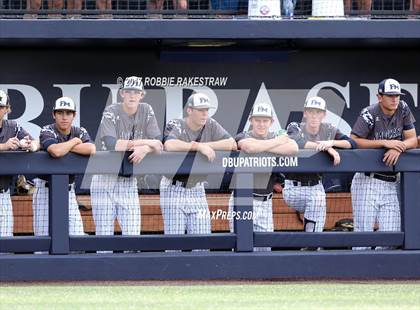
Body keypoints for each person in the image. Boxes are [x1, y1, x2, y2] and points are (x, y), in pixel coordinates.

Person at [91, 76, 162, 243]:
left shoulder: (146, 110)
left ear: (142, 95)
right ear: (122, 93)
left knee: (133, 237)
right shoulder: (111, 110)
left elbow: (159, 142)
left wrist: (145, 149)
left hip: (128, 181)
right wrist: (146, 142)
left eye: (136, 92)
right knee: (104, 239)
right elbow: (110, 143)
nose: (132, 95)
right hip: (104, 180)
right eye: (128, 91)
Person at [350, 78, 417, 250]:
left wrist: (399, 147)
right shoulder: (369, 113)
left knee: (391, 238)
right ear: (379, 97)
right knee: (362, 239)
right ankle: (358, 276)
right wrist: (384, 143)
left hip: (391, 182)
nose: (395, 99)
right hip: (367, 181)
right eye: (390, 95)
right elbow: (353, 141)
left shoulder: (403, 108)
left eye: (397, 95)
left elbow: (412, 140)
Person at [160, 92, 236, 240]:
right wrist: (197, 147)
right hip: (174, 188)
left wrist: (204, 145)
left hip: (197, 189)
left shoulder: (211, 124)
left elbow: (232, 143)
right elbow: (169, 144)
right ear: (189, 110)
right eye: (201, 110)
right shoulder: (177, 124)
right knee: (174, 243)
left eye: (206, 110)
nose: (205, 114)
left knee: (203, 241)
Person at [283, 96, 356, 241]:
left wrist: (331, 143)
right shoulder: (295, 125)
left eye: (318, 112)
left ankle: (312, 243)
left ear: (323, 114)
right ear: (305, 113)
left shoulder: (329, 130)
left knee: (318, 200)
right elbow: (296, 141)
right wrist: (324, 148)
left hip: (316, 186)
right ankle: (311, 240)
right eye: (311, 111)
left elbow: (351, 143)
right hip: (293, 188)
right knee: (317, 200)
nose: (314, 116)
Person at [228, 102, 298, 251]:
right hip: (242, 200)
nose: (261, 124)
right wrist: (277, 143)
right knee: (240, 247)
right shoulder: (243, 135)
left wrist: (265, 145)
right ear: (251, 120)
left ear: (271, 122)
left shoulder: (273, 135)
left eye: (265, 120)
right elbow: (249, 147)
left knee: (265, 249)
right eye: (257, 120)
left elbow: (293, 148)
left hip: (266, 201)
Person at [33, 96, 95, 240]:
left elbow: (91, 148)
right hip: (45, 190)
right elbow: (56, 151)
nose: (64, 117)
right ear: (54, 114)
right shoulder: (47, 129)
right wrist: (74, 142)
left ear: (74, 115)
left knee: (77, 236)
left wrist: (66, 146)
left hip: (68, 191)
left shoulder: (79, 130)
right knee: (43, 239)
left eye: (68, 113)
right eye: (60, 113)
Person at [0, 90, 39, 238]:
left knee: (5, 243)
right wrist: (4, 146)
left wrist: (27, 144)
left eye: (0, 107)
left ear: (7, 109)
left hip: (2, 195)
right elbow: (5, 146)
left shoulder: (12, 127)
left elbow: (36, 142)